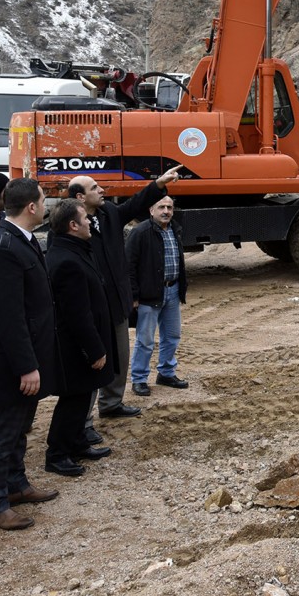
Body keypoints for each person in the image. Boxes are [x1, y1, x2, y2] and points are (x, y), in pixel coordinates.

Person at [70, 165, 182, 442]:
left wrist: (159, 184)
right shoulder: (70, 225)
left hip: (116, 303)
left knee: (119, 356)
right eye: (95, 188)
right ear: (80, 197)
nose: (101, 190)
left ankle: (111, 404)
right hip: (92, 306)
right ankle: (82, 422)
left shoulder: (108, 214)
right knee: (92, 362)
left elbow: (135, 204)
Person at [0, 178, 59, 531]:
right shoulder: (3, 249)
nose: (46, 205)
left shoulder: (20, 239)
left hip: (28, 358)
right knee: (3, 434)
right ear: (31, 207)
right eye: (43, 199)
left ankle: (16, 485)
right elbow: (8, 318)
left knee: (20, 428)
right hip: (10, 365)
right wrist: (26, 367)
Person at [43, 200, 117, 477]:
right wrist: (94, 349)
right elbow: (77, 314)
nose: (89, 222)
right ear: (73, 225)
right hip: (75, 348)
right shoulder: (66, 261)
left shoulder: (75, 250)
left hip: (82, 344)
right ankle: (57, 454)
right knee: (73, 399)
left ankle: (76, 443)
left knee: (82, 395)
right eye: (85, 219)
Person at [126, 195, 189, 396]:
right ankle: (139, 379)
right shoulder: (140, 232)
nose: (166, 211)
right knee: (145, 340)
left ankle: (166, 373)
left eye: (169, 207)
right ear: (151, 210)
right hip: (149, 294)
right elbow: (129, 266)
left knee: (172, 336)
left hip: (172, 290)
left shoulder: (174, 229)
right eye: (161, 207)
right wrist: (134, 295)